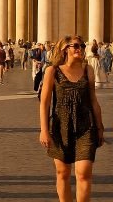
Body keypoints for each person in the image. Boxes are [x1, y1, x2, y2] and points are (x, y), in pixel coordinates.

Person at [39, 35, 105, 202]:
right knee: (63, 173)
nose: (79, 49)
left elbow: (94, 100)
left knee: (84, 173)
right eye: (75, 46)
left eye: (82, 46)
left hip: (86, 125)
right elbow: (45, 103)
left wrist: (100, 127)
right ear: (65, 49)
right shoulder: (52, 71)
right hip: (61, 126)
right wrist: (44, 130)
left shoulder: (87, 69)